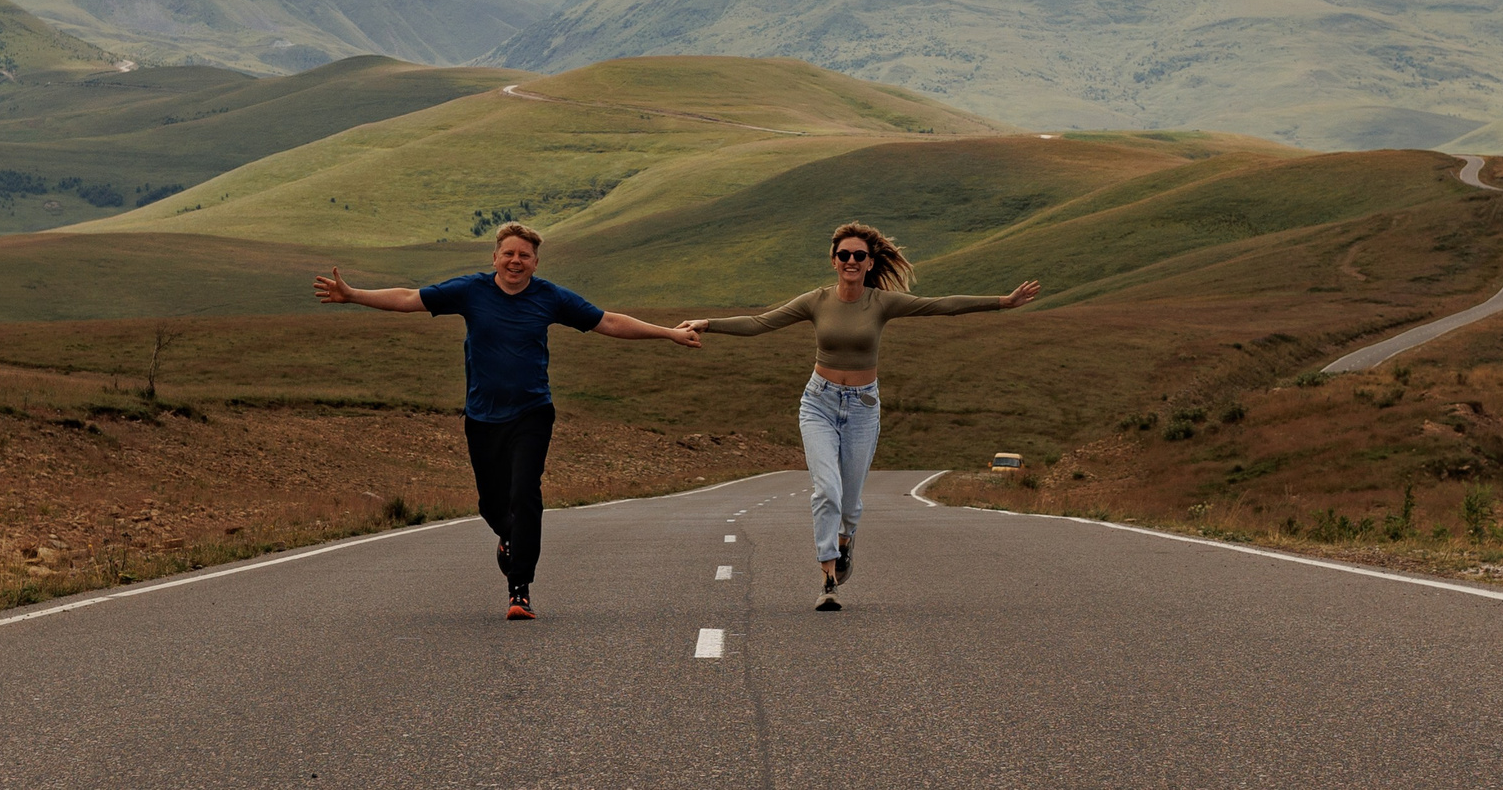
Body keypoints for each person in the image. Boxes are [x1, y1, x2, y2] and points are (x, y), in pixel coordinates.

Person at [314, 222, 701, 620]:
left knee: (525, 495)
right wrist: (353, 295)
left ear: (535, 262)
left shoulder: (550, 297)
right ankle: (508, 537)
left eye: (525, 256)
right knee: (492, 505)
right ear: (495, 257)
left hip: (532, 411)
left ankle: (520, 589)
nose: (516, 261)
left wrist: (668, 333)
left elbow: (608, 322)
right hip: (482, 416)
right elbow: (410, 298)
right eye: (509, 254)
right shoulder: (470, 291)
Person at [680, 223, 1038, 612]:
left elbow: (941, 305)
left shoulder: (881, 302)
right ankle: (828, 580)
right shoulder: (815, 301)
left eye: (859, 256)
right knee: (826, 492)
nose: (851, 261)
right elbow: (761, 323)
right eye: (844, 255)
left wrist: (1003, 301)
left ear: (869, 262)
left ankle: (846, 540)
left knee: (849, 504)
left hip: (863, 408)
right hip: (818, 403)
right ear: (834, 261)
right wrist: (708, 323)